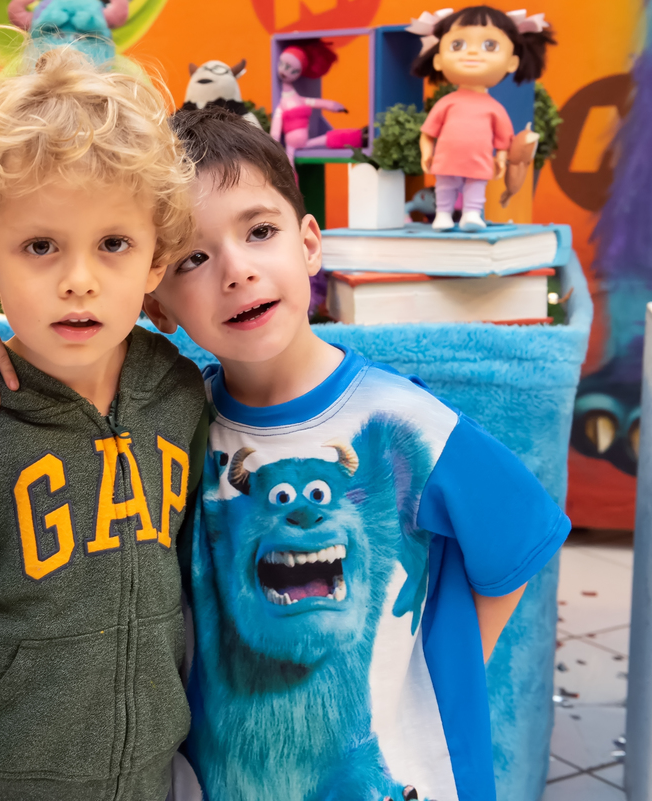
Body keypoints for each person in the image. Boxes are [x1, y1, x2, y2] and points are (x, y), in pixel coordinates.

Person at [140, 107, 571, 801]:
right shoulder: (176, 429)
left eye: (260, 231)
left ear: (309, 243)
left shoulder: (399, 419)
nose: (237, 270)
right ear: (157, 304)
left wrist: (446, 667)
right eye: (193, 257)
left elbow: (521, 531)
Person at [0, 46, 209, 801]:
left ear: (156, 259)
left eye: (114, 244)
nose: (79, 280)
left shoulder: (179, 396)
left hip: (154, 778)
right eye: (40, 246)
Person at [409, 5, 556, 231]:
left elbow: (503, 140)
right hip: (446, 159)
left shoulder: (494, 108)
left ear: (512, 63)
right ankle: (443, 214)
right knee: (445, 186)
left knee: (476, 186)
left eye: (490, 46)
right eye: (458, 45)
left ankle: (471, 214)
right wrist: (426, 153)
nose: (472, 53)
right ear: (438, 60)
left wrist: (501, 159)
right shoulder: (446, 103)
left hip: (479, 161)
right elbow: (428, 133)